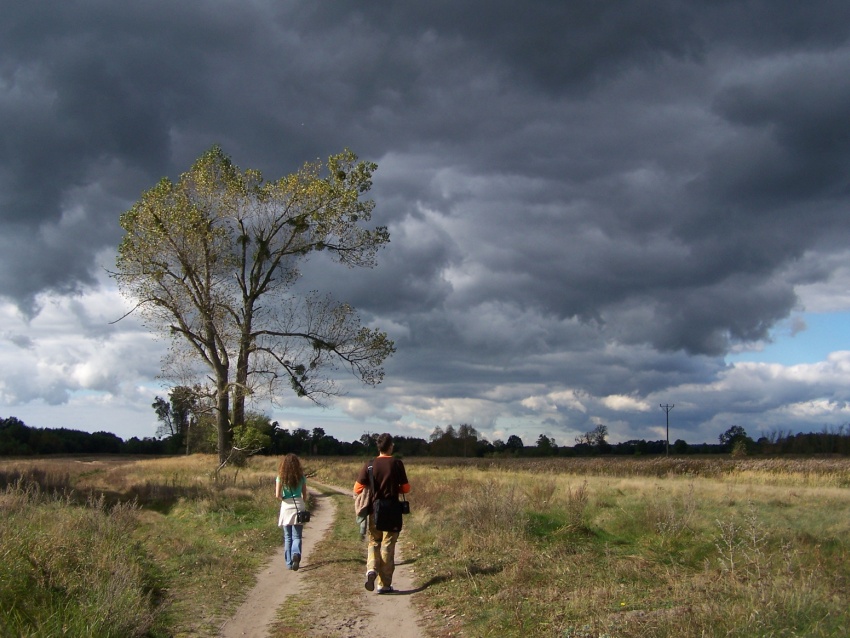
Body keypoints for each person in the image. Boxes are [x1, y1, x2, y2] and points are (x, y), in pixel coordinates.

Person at [353, 433, 410, 594]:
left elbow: (357, 488)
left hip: (374, 511)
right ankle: (384, 584)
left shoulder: (370, 465)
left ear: (378, 447)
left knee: (374, 542)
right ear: (390, 446)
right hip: (392, 510)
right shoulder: (397, 463)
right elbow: (406, 488)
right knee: (388, 545)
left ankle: (371, 569)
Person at [275, 453, 308, 571]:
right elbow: (305, 495)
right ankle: (296, 553)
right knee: (297, 536)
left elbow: (277, 495)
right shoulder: (301, 477)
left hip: (286, 507)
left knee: (288, 537)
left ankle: (289, 563)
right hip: (298, 506)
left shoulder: (280, 477)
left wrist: (284, 499)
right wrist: (301, 502)